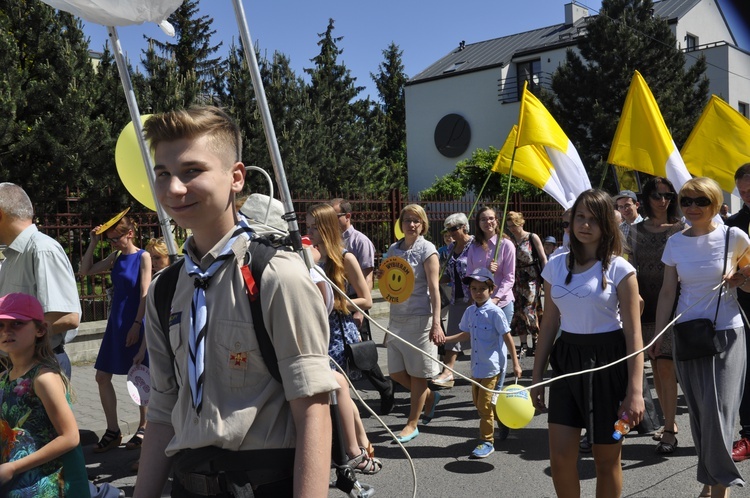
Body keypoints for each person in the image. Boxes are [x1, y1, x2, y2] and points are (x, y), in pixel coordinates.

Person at [135, 106, 338, 498]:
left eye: (192, 171)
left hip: (261, 483)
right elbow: (162, 410)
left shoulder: (276, 275)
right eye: (163, 173)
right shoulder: (164, 290)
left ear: (235, 177)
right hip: (187, 484)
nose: (174, 188)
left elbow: (313, 409)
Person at [531, 189, 645, 498]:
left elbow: (635, 336)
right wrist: (537, 377)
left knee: (605, 460)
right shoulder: (555, 265)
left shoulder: (621, 269)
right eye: (580, 217)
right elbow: (550, 324)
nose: (585, 225)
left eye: (594, 219)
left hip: (609, 364)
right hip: (567, 361)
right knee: (561, 458)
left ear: (607, 224)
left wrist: (635, 393)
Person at [656, 177, 749, 498]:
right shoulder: (675, 242)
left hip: (727, 333)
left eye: (701, 201)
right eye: (686, 201)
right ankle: (712, 480)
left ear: (714, 203)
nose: (693, 207)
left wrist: (739, 278)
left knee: (720, 411)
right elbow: (668, 291)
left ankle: (717, 488)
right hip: (687, 335)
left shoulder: (734, 237)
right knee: (698, 412)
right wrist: (658, 336)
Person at [305, 203, 381, 474]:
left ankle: (361, 448)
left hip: (338, 334)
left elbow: (367, 299)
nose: (309, 232)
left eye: (314, 227)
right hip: (317, 334)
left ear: (326, 228)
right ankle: (361, 447)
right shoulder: (308, 258)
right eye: (307, 227)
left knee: (341, 394)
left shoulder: (344, 257)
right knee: (339, 395)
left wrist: (336, 303)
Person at [0, 293, 89, 497]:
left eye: (17, 324)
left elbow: (70, 437)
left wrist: (13, 468)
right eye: (0, 326)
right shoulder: (4, 378)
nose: (7, 331)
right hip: (15, 480)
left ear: (40, 330)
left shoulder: (43, 378)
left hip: (44, 484)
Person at [80, 213, 151, 454]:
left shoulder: (144, 257)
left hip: (134, 322)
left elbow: (144, 293)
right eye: (109, 240)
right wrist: (93, 242)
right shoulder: (116, 256)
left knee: (140, 376)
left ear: (130, 233)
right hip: (115, 324)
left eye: (116, 239)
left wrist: (137, 324)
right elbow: (85, 271)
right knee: (102, 377)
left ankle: (143, 426)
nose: (113, 244)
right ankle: (113, 431)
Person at [625, 176, 684, 454]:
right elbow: (627, 264)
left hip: (674, 305)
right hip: (644, 305)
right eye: (657, 195)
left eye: (668, 196)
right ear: (646, 198)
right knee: (657, 366)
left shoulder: (682, 228)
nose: (663, 201)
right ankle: (668, 420)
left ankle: (670, 428)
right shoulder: (634, 231)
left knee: (665, 365)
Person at [0, 183, 81, 379]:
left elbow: (69, 317)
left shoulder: (42, 249)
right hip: (18, 365)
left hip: (40, 367)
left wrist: (11, 336)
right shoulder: (11, 255)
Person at [382, 203, 444, 443]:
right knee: (397, 372)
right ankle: (428, 397)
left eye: (416, 221)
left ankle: (412, 423)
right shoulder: (393, 249)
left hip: (420, 319)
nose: (411, 224)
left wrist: (436, 324)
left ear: (423, 224)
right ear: (401, 222)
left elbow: (434, 289)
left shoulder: (428, 249)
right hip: (396, 318)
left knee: (418, 374)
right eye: (407, 220)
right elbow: (391, 282)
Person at [444, 267, 522, 458]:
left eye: (482, 289)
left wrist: (516, 363)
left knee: (484, 407)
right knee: (481, 404)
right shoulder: (470, 311)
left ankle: (487, 441)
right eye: (473, 289)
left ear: (491, 289)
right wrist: (446, 339)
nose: (478, 293)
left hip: (492, 367)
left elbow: (507, 337)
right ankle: (503, 420)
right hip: (476, 367)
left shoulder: (495, 312)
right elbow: (466, 333)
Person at [330, 198, 395, 415]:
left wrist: (359, 311)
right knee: (351, 353)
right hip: (336, 304)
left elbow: (367, 279)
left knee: (361, 353)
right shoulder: (333, 239)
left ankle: (385, 389)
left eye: (334, 215)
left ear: (347, 217)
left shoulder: (360, 241)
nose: (330, 220)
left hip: (353, 302)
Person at [432, 213, 474, 389]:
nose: (450, 233)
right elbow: (448, 274)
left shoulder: (476, 246)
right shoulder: (450, 249)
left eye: (453, 229)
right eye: (448, 229)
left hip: (474, 298)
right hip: (457, 297)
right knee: (452, 335)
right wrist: (433, 281)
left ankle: (488, 373)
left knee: (480, 335)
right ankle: (448, 372)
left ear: (464, 227)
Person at [726, 163, 750, 463]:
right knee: (748, 373)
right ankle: (748, 435)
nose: (746, 196)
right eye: (742, 191)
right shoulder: (732, 225)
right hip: (745, 308)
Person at [466, 207, 515, 328]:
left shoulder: (506, 245)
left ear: (497, 221)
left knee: (500, 343)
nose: (488, 222)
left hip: (501, 302)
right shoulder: (473, 247)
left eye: (491, 218)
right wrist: (486, 271)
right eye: (483, 219)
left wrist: (496, 298)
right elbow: (469, 275)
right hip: (480, 302)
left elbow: (509, 278)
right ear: (478, 223)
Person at [506, 211, 547, 356]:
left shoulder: (531, 237)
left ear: (521, 223)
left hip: (531, 277)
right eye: (509, 226)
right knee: (518, 310)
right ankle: (523, 344)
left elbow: (542, 258)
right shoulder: (509, 241)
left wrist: (546, 277)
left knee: (529, 308)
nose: (512, 228)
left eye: (514, 225)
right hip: (516, 278)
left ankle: (536, 339)